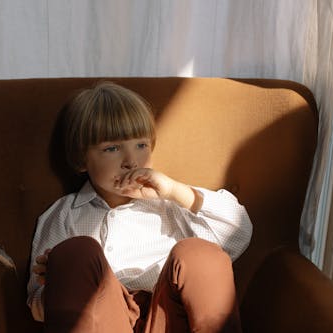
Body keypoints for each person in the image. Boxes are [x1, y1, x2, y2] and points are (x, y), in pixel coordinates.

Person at [27, 81, 253, 333]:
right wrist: (59, 284)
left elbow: (239, 233)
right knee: (75, 252)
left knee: (201, 254)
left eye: (141, 145)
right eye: (112, 148)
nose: (131, 161)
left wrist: (175, 192)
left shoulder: (171, 205)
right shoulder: (63, 214)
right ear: (82, 159)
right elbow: (36, 305)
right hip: (103, 320)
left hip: (167, 317)